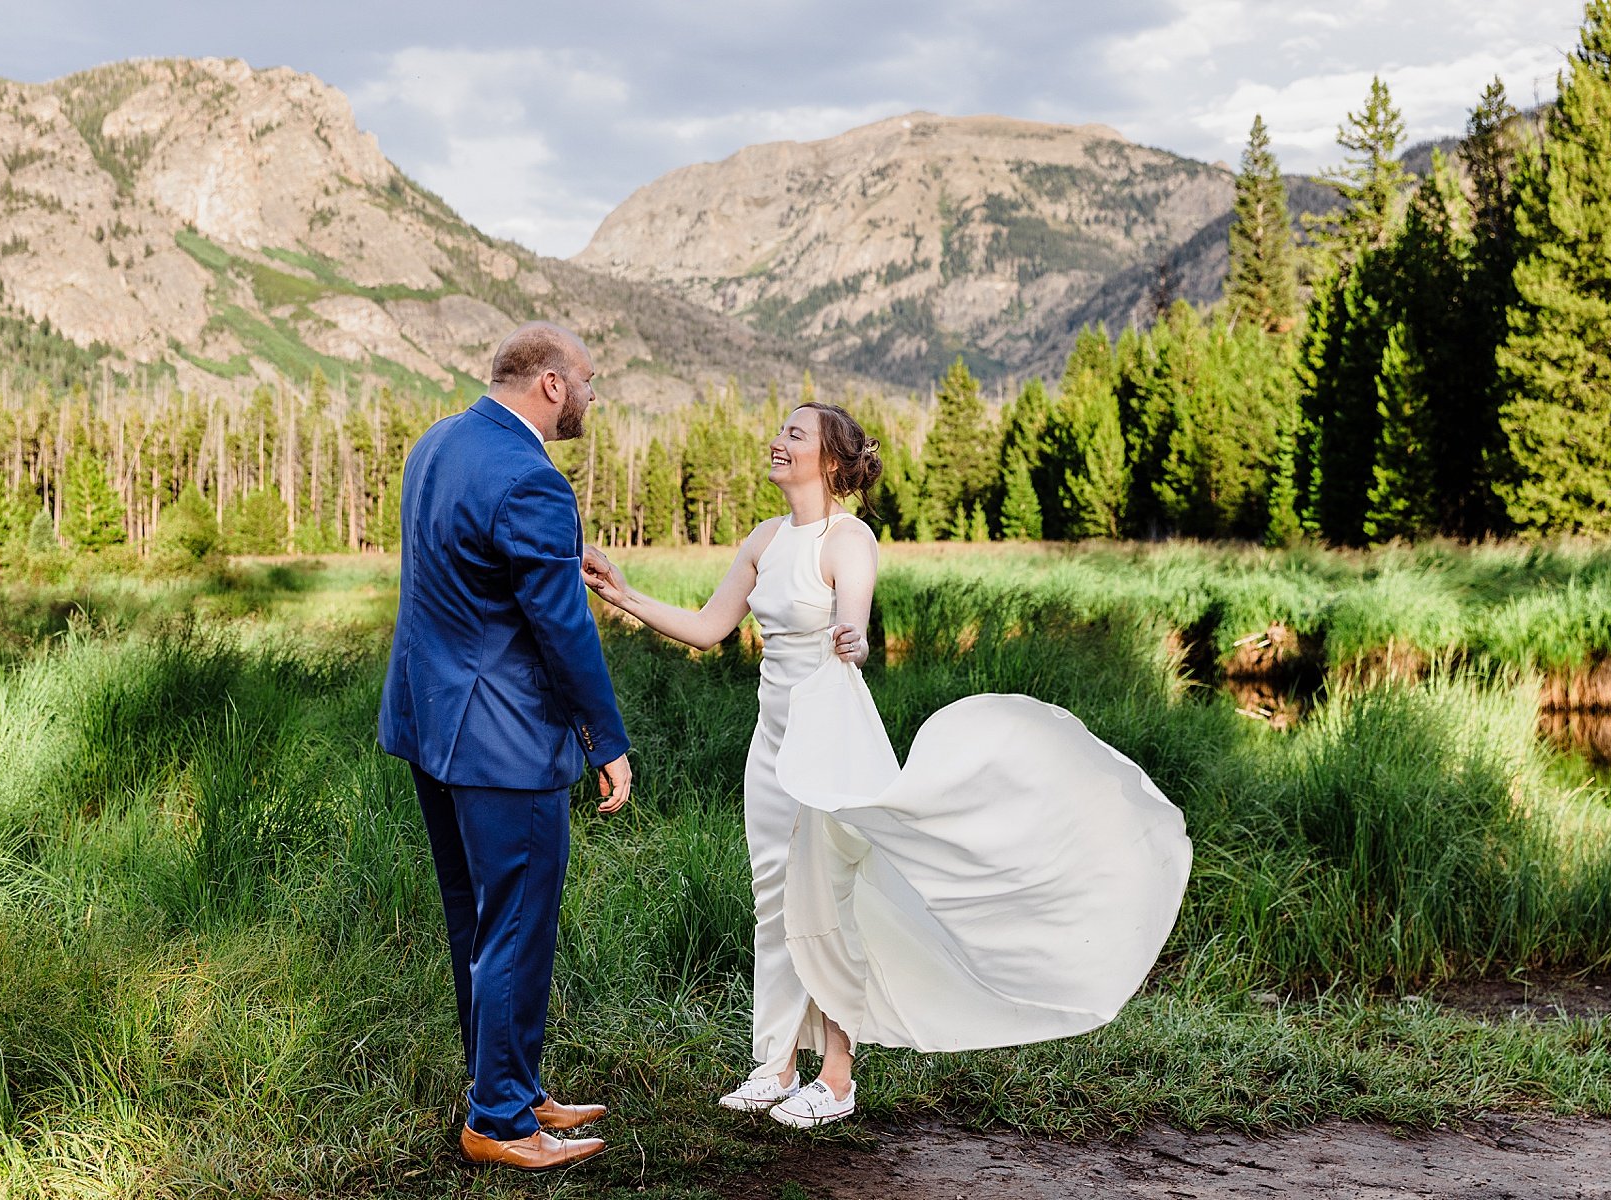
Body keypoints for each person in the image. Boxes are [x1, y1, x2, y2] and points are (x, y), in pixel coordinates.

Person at [582, 402, 1192, 1130]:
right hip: (771, 747)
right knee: (774, 895)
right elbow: (711, 628)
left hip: (832, 737)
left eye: (795, 435)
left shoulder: (849, 539)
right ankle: (775, 1064)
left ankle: (836, 1079)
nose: (776, 442)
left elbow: (857, 623)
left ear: (832, 462)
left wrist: (854, 641)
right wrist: (621, 595)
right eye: (779, 431)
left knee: (831, 900)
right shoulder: (763, 540)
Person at [379, 322, 631, 1170]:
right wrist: (606, 740)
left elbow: (461, 570)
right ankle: (497, 1119)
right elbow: (561, 631)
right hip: (504, 743)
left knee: (478, 924)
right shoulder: (532, 478)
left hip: (431, 726)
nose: (594, 398)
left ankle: (512, 1089)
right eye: (590, 382)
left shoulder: (438, 443)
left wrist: (557, 558)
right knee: (516, 926)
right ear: (552, 385)